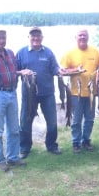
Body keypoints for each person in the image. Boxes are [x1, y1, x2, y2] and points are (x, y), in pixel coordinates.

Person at [16, 27, 62, 159]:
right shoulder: (21, 53)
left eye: (38, 36)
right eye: (33, 36)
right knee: (25, 121)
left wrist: (60, 71)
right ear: (28, 37)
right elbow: (14, 71)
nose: (35, 38)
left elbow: (55, 68)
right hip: (28, 94)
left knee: (52, 121)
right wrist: (21, 72)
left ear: (42, 37)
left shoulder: (48, 52)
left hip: (47, 93)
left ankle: (51, 145)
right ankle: (24, 147)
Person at [60, 29, 99, 153]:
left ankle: (86, 140)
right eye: (80, 35)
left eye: (84, 35)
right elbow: (62, 71)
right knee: (76, 119)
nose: (82, 37)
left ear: (88, 37)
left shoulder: (95, 51)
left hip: (91, 93)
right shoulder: (69, 53)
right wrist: (75, 71)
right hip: (75, 94)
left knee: (89, 118)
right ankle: (76, 142)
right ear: (76, 37)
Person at [0, 28, 27, 172]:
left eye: (3, 37)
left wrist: (22, 72)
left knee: (14, 128)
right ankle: (0, 160)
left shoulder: (10, 53)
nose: (1, 41)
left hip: (12, 93)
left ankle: (13, 157)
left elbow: (13, 72)